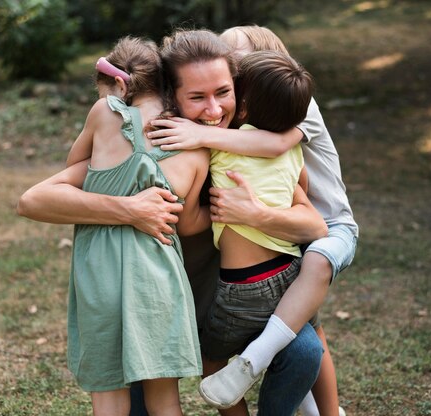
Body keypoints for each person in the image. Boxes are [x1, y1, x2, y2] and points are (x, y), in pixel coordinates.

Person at [21, 29, 325, 415]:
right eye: (197, 97)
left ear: (240, 90)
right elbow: (34, 198)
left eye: (223, 93)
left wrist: (255, 214)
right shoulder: (163, 145)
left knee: (305, 349)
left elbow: (314, 225)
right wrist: (132, 209)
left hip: (226, 302)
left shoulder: (251, 144)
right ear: (172, 98)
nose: (213, 111)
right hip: (161, 303)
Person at [146, 25, 359, 416]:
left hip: (321, 233)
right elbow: (294, 173)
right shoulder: (265, 134)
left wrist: (250, 211)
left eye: (232, 79)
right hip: (287, 265)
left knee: (214, 359)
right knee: (305, 322)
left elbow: (316, 222)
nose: (217, 104)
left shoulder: (285, 113)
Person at [18, 36, 212, 416]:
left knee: (108, 397)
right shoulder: (196, 147)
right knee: (165, 400)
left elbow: (78, 164)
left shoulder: (105, 113)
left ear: (119, 87)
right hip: (159, 280)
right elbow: (187, 226)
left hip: (99, 276)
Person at [192, 48, 318, 412]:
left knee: (210, 364)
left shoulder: (222, 149)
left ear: (242, 107)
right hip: (290, 274)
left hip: (244, 289)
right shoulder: (291, 150)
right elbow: (302, 188)